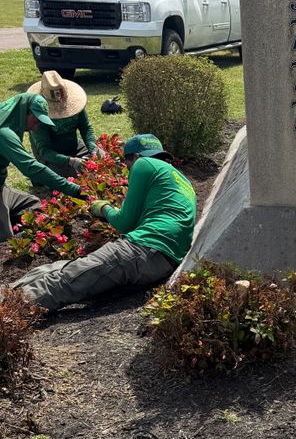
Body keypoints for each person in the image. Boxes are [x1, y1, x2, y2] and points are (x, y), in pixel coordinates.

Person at [9, 134, 196, 314]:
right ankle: (8, 290)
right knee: (64, 269)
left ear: (135, 157)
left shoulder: (143, 164)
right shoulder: (182, 181)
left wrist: (103, 208)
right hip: (161, 263)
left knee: (64, 282)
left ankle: (8, 309)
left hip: (144, 249)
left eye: (127, 165)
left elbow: (124, 223)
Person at [0, 91, 86, 242]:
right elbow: (31, 168)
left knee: (34, 206)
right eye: (37, 120)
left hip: (2, 187)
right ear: (25, 112)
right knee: (6, 241)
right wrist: (73, 189)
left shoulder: (9, 116)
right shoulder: (4, 133)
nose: (36, 127)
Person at [26, 71, 99, 182]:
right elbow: (44, 151)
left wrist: (93, 149)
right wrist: (71, 161)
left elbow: (86, 128)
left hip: (75, 147)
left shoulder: (76, 107)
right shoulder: (38, 116)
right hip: (51, 158)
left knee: (102, 160)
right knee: (79, 175)